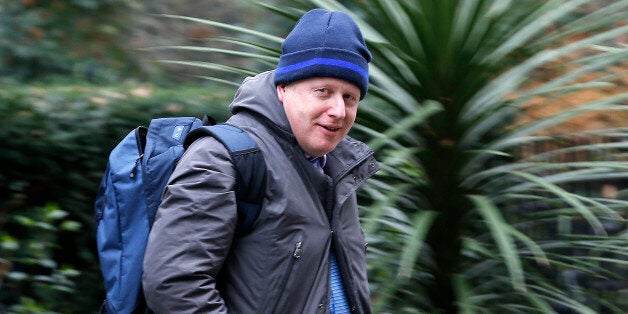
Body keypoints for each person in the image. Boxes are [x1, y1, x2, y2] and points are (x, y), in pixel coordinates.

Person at [142, 8, 379, 314]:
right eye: (323, 92)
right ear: (284, 88)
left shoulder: (339, 167)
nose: (338, 110)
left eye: (350, 97)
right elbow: (174, 286)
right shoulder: (222, 158)